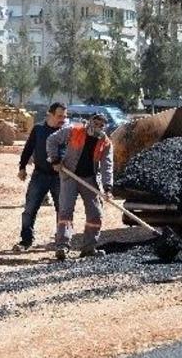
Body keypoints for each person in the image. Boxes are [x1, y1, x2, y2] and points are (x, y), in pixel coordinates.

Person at [46, 113, 113, 261]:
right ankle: (62, 246)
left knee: (95, 213)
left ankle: (89, 248)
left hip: (89, 179)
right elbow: (52, 140)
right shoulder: (73, 130)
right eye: (96, 123)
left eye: (101, 125)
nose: (98, 127)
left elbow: (107, 166)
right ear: (90, 122)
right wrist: (55, 160)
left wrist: (108, 188)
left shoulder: (105, 142)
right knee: (66, 211)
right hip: (70, 175)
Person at [13, 102, 68, 252]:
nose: (62, 119)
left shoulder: (66, 132)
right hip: (39, 175)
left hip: (60, 177)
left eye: (64, 116)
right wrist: (22, 167)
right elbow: (28, 148)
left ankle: (61, 242)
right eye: (59, 116)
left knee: (63, 210)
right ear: (50, 115)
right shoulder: (38, 130)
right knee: (29, 209)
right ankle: (26, 240)